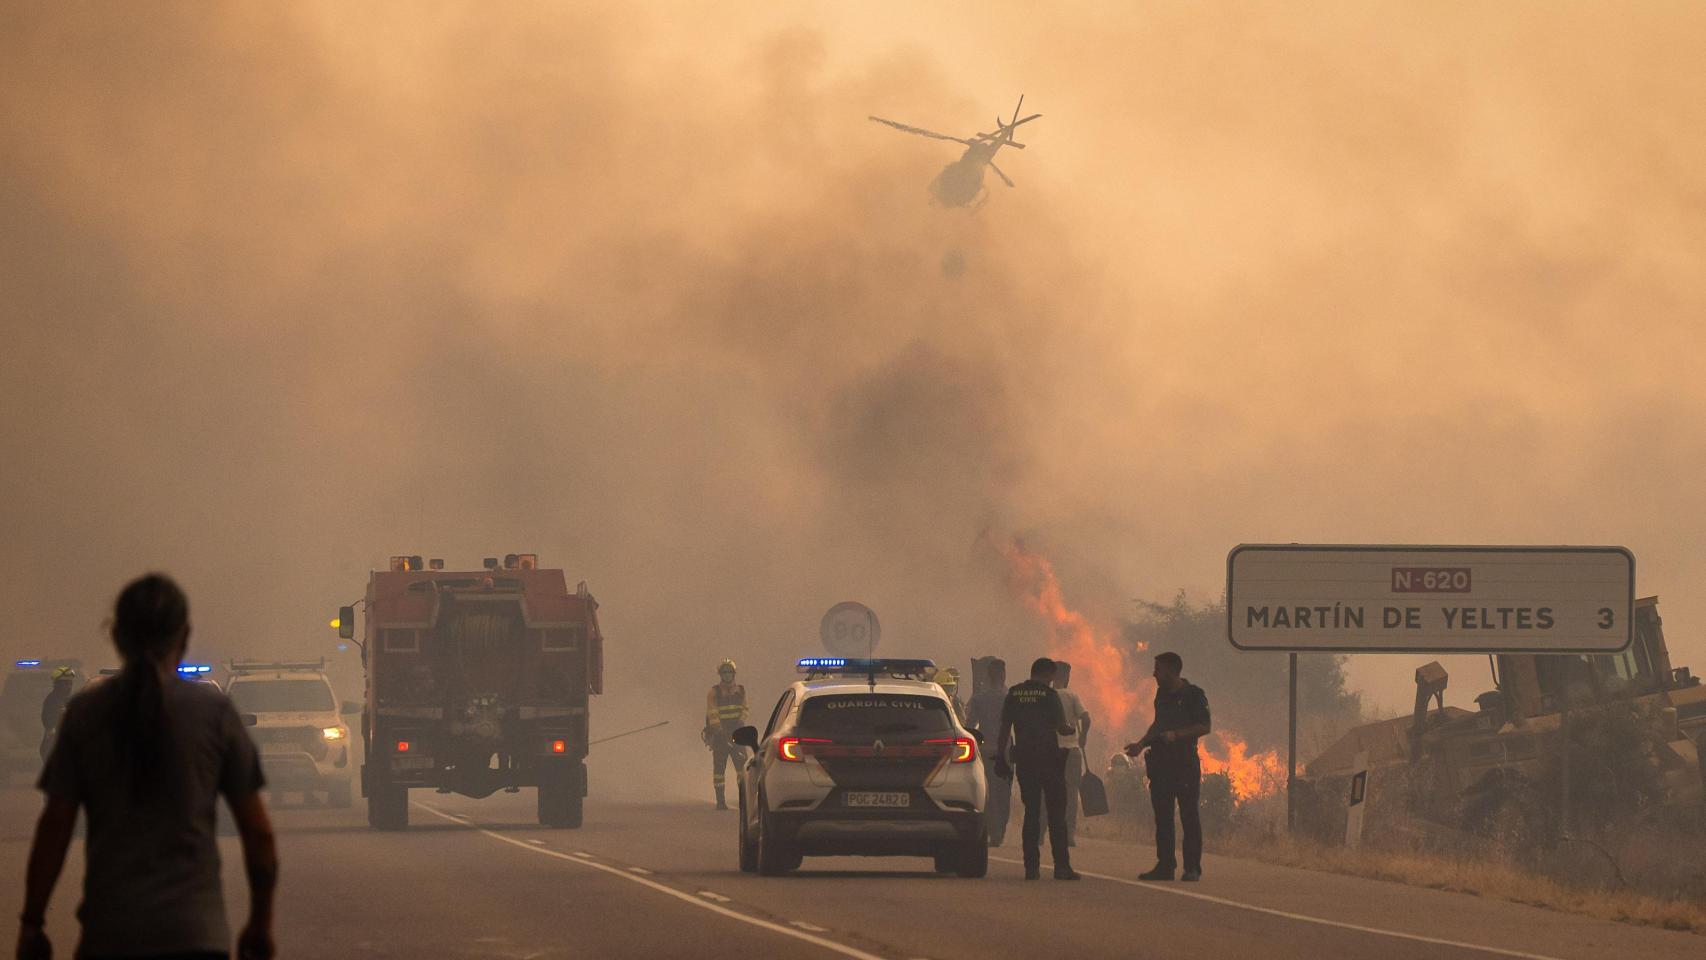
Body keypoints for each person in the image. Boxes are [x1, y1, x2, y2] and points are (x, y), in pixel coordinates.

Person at [17, 573, 277, 960]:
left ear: (118, 636)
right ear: (184, 636)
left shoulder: (85, 714)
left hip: (111, 936)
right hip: (196, 935)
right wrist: (260, 923)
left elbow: (55, 827)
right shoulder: (214, 713)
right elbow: (257, 834)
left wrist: (33, 923)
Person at [1124, 651, 1211, 882]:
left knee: (1188, 815)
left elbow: (1204, 726)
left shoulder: (1194, 695)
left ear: (1172, 670)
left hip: (1184, 762)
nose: (1154, 674)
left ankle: (1192, 868)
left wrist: (1177, 735)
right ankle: (1165, 865)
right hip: (1161, 763)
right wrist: (1141, 744)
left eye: (1158, 669)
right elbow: (1158, 723)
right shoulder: (1162, 694)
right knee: (1162, 816)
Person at [993, 657, 1079, 880]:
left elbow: (1004, 728)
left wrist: (1001, 756)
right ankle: (1062, 867)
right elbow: (1061, 726)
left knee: (1032, 812)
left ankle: (1031, 868)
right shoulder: (1050, 696)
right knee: (1056, 814)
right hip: (1050, 760)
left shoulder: (1014, 693)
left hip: (1024, 760)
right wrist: (1070, 730)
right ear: (1049, 675)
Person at [965, 658, 1012, 847]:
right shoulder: (1011, 697)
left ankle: (994, 831)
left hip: (985, 751)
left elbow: (970, 726)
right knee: (1004, 793)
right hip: (1006, 751)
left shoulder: (979, 698)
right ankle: (999, 829)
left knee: (988, 792)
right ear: (1003, 675)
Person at [1048, 660, 1091, 846]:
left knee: (1048, 792)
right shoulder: (1073, 696)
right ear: (1065, 676)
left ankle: (1043, 832)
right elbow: (1086, 718)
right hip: (1072, 752)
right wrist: (1083, 738)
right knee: (1071, 793)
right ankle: (1069, 834)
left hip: (1052, 752)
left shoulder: (1047, 696)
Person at [703, 659, 748, 810]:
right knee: (719, 769)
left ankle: (744, 800)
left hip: (737, 733)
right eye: (724, 672)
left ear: (734, 673)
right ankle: (720, 801)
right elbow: (712, 713)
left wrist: (740, 723)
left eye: (729, 672)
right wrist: (719, 731)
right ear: (720, 674)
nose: (727, 675)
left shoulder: (741, 690)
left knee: (742, 768)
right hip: (720, 735)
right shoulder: (713, 692)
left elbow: (745, 709)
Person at [39, 667, 76, 760]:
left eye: (70, 683)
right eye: (65, 683)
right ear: (57, 684)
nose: (69, 686)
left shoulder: (69, 699)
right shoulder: (52, 701)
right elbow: (49, 722)